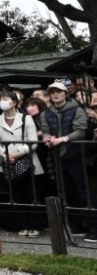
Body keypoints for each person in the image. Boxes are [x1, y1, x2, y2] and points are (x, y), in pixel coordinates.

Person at [39, 80, 97, 241]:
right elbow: (45, 131)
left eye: (59, 91)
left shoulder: (77, 109)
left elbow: (80, 131)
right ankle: (77, 224)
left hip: (77, 155)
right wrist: (48, 138)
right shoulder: (46, 113)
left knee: (84, 191)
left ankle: (94, 226)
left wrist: (62, 139)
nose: (55, 95)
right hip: (58, 156)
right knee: (67, 192)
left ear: (66, 93)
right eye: (52, 92)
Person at [0, 88, 44, 236]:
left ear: (14, 102)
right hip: (8, 162)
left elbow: (33, 141)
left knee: (31, 194)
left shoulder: (26, 118)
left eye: (6, 99)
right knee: (16, 195)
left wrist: (17, 154)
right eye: (1, 99)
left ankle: (34, 225)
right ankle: (23, 224)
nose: (3, 102)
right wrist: (5, 154)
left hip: (28, 161)